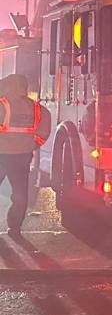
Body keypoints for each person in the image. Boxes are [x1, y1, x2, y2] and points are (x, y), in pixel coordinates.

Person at [0, 74, 51, 235]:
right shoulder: (36, 108)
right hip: (23, 155)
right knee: (20, 192)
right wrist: (33, 144)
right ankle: (14, 226)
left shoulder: (2, 105)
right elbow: (44, 129)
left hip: (2, 153)